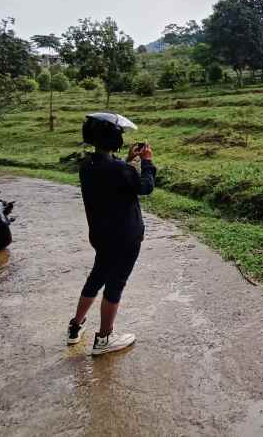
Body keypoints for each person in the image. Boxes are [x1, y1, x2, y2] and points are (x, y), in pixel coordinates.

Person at [67, 112, 157, 355]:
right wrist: (147, 162)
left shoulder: (87, 166)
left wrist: (128, 161)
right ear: (114, 138)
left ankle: (75, 327)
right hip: (125, 237)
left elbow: (115, 179)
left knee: (96, 278)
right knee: (115, 284)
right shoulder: (119, 170)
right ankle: (104, 338)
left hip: (101, 235)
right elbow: (145, 187)